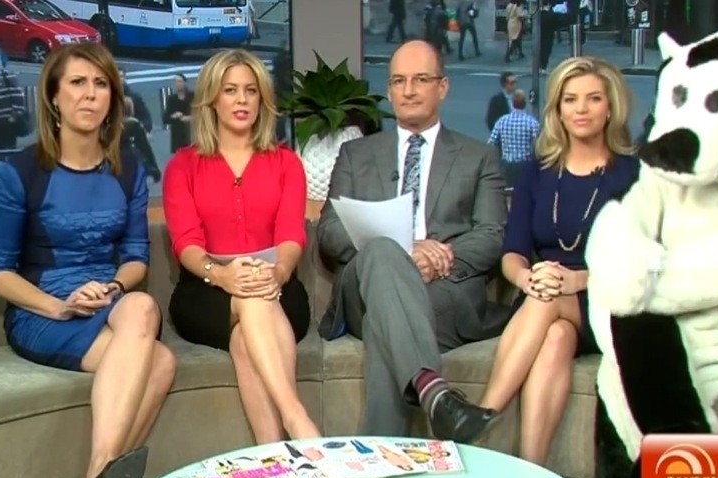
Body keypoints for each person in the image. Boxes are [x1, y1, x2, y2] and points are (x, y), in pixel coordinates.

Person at [0, 42, 176, 478]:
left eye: (101, 84)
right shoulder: (22, 172)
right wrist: (59, 305)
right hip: (42, 312)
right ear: (53, 97)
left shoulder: (127, 171)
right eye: (77, 83)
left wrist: (110, 287)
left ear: (113, 98)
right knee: (159, 362)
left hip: (108, 303)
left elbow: (135, 259)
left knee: (140, 306)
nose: (90, 95)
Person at [317, 40, 509, 442]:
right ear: (389, 91)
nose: (408, 90)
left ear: (443, 87)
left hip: (445, 292)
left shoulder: (479, 156)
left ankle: (388, 447)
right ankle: (435, 394)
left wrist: (443, 256)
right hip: (364, 287)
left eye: (420, 79)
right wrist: (404, 253)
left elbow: (492, 235)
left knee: (385, 321)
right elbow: (330, 231)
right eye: (398, 81)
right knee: (384, 252)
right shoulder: (355, 154)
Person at [478, 57, 639, 466]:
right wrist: (526, 279)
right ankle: (530, 474)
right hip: (542, 295)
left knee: (547, 300)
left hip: (606, 299)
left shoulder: (633, 175)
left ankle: (481, 417)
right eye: (570, 99)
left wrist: (578, 281)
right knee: (555, 339)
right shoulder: (538, 172)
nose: (581, 109)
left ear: (610, 107)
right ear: (558, 110)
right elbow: (513, 250)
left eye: (593, 99)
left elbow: (642, 261)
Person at [163, 49, 320, 443]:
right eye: (230, 90)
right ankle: (297, 417)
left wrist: (278, 272)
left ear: (262, 99)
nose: (242, 100)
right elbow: (186, 243)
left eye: (251, 91)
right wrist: (222, 275)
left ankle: (275, 455)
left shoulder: (286, 163)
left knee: (246, 334)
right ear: (212, 99)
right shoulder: (183, 166)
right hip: (204, 290)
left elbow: (291, 235)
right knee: (250, 299)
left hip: (277, 285)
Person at [162, 73, 192, 152]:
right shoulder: (172, 99)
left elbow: (201, 114)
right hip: (177, 136)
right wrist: (174, 116)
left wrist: (190, 118)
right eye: (175, 81)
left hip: (191, 134)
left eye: (179, 81)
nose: (177, 84)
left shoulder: (193, 96)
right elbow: (165, 119)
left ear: (185, 83)